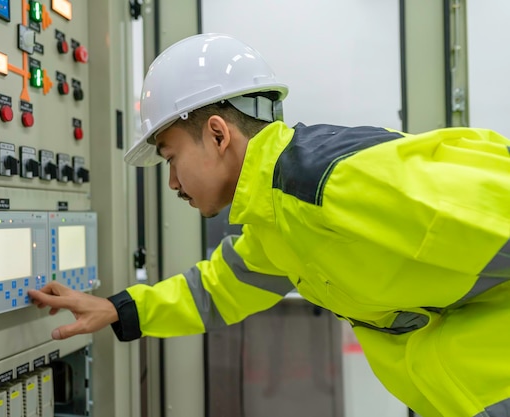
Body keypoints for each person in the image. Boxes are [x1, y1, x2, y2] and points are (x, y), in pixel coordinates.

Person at [28, 33, 510, 417]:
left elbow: (493, 212)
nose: (172, 181)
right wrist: (117, 309)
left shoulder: (329, 184)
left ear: (218, 134)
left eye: (172, 158)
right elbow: (217, 289)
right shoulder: (275, 219)